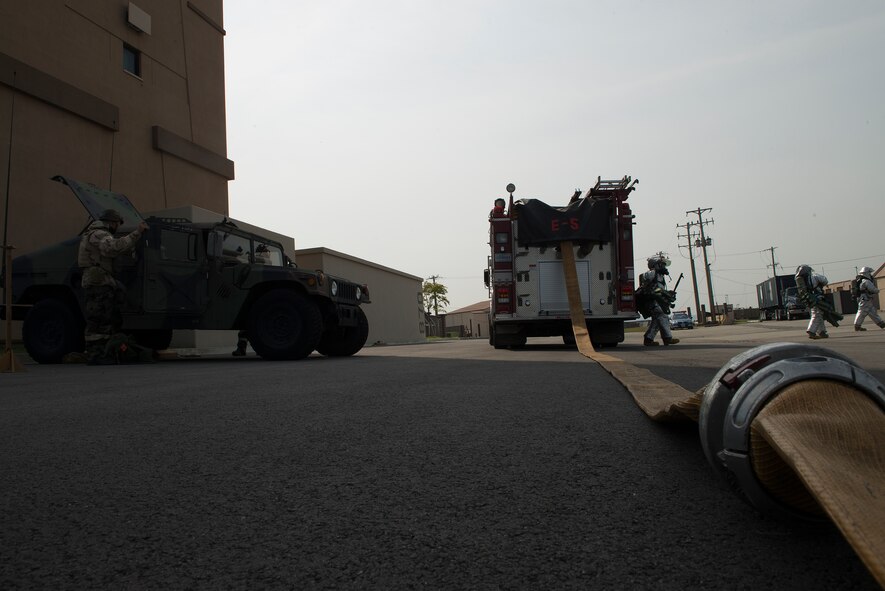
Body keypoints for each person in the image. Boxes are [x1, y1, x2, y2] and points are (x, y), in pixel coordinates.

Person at [78, 209, 148, 362]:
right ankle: (96, 354)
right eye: (117, 224)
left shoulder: (98, 234)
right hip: (98, 283)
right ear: (111, 222)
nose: (117, 227)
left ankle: (103, 352)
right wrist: (136, 233)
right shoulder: (98, 234)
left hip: (102, 281)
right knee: (99, 320)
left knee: (105, 319)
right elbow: (113, 248)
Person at [637, 255, 679, 346]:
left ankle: (648, 339)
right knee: (663, 315)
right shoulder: (652, 273)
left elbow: (659, 289)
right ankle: (668, 338)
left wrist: (668, 294)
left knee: (657, 320)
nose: (664, 267)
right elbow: (645, 283)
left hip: (657, 301)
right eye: (661, 265)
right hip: (651, 301)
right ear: (655, 265)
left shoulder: (660, 276)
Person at [795, 264, 842, 339]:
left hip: (810, 299)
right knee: (816, 315)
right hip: (817, 298)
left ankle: (822, 332)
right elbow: (825, 281)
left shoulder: (802, 280)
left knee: (819, 315)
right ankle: (811, 331)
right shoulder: (814, 276)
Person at [853, 266, 884, 331]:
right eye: (869, 273)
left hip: (864, 298)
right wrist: (877, 290)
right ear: (866, 273)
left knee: (872, 311)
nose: (870, 274)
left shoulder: (860, 280)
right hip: (865, 299)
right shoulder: (866, 281)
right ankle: (857, 326)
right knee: (862, 312)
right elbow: (872, 289)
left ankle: (881, 323)